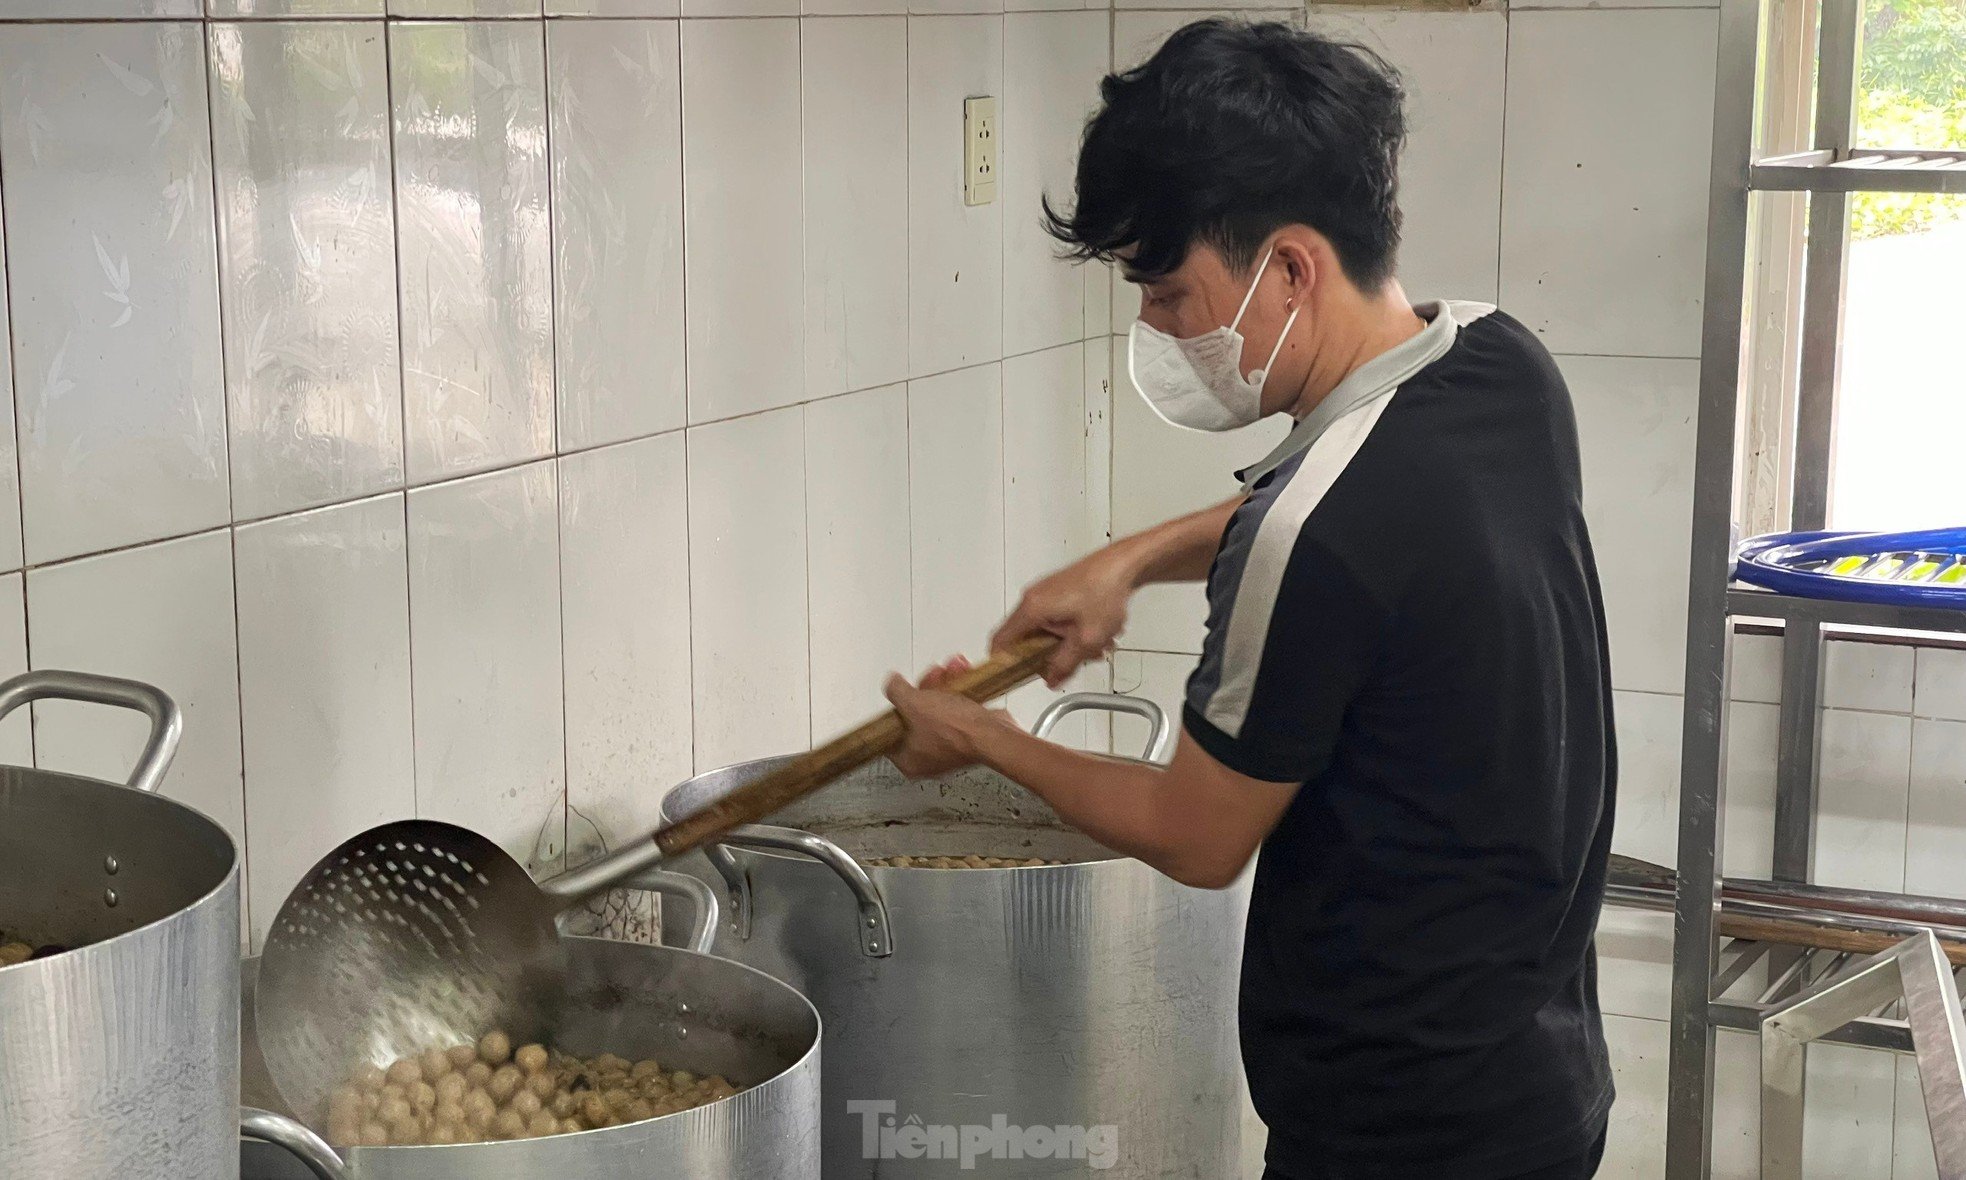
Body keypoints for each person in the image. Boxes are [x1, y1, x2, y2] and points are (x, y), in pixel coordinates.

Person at [880, 18, 1617, 1180]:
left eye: (1173, 292)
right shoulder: (1499, 366)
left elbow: (1197, 833)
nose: (1159, 328)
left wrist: (980, 740)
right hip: (1544, 1082)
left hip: (1391, 1134)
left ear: (1288, 266)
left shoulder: (1307, 540)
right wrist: (1126, 559)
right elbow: (1373, 527)